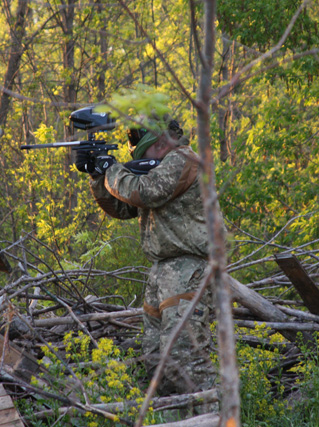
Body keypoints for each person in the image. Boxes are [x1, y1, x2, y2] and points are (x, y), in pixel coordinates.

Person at [75, 115, 221, 399]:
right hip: (162, 272)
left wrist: (112, 169)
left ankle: (213, 414)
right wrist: (97, 176)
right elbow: (123, 208)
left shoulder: (183, 159)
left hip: (188, 268)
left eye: (140, 143)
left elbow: (146, 192)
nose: (136, 150)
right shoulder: (160, 167)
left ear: (162, 138)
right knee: (157, 362)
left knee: (185, 359)